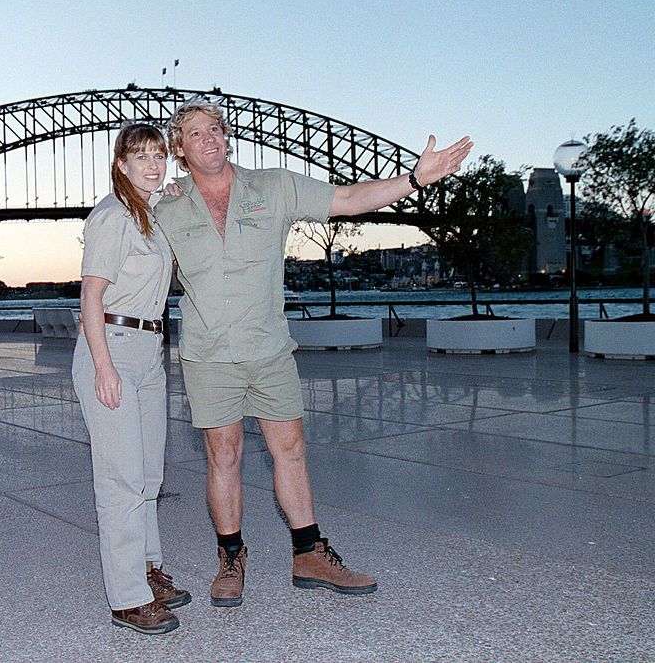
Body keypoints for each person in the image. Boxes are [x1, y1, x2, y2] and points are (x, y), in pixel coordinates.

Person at [156, 101, 472, 607]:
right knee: (225, 455)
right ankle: (231, 558)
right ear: (180, 148)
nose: (209, 139)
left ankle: (309, 554)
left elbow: (347, 198)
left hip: (269, 348)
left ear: (227, 136)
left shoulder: (275, 187)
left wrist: (415, 179)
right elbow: (123, 237)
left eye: (215, 129)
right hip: (208, 353)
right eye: (195, 134)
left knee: (291, 451)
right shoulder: (166, 207)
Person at [71, 122, 190, 635]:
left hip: (149, 349)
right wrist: (103, 368)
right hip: (113, 349)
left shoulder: (148, 216)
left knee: (148, 477)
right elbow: (91, 298)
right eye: (139, 156)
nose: (151, 163)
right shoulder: (111, 216)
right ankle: (126, 598)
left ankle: (147, 567)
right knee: (120, 479)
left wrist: (175, 196)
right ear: (121, 164)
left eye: (158, 154)